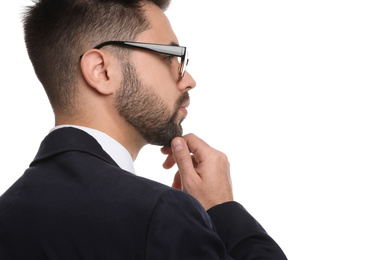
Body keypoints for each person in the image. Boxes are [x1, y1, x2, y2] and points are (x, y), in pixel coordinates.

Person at [0, 0, 287, 259]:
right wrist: (221, 208)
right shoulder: (160, 212)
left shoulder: (7, 213)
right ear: (101, 71)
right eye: (169, 56)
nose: (188, 80)